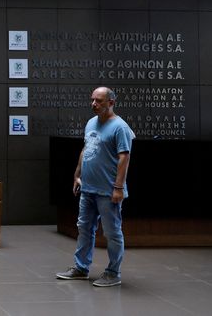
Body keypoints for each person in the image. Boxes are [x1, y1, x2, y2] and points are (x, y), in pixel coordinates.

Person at [56, 86, 133, 287]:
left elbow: (124, 157)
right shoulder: (91, 123)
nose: (94, 104)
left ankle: (113, 272)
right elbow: (86, 148)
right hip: (88, 188)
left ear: (111, 103)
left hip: (108, 191)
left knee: (112, 232)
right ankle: (81, 268)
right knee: (84, 228)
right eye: (92, 100)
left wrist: (118, 187)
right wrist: (77, 174)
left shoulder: (120, 127)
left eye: (99, 101)